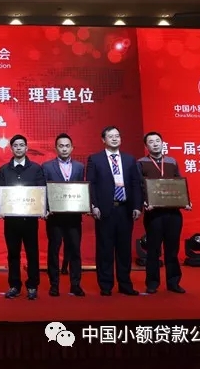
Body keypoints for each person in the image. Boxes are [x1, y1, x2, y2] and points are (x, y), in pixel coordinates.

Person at [86, 126, 142, 296]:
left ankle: (125, 284)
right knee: (105, 249)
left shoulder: (129, 159)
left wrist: (137, 206)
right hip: (105, 210)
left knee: (124, 249)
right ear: (103, 140)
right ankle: (105, 285)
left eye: (117, 136)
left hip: (125, 209)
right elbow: (91, 184)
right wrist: (93, 205)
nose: (115, 139)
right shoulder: (95, 159)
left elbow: (136, 184)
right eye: (111, 136)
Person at [138, 131, 191, 294]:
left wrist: (186, 201)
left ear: (162, 143)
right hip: (153, 213)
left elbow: (179, 183)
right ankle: (152, 283)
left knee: (172, 249)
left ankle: (173, 282)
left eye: (157, 141)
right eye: (151, 142)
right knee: (153, 249)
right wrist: (144, 202)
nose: (155, 144)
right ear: (146, 146)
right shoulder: (141, 163)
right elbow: (139, 186)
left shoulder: (171, 161)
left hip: (173, 213)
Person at [0, 134, 46, 300]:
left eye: (21, 145)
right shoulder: (4, 170)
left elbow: (41, 190)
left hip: (30, 219)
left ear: (26, 148)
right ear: (11, 149)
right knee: (13, 254)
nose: (18, 148)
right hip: (11, 220)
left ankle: (32, 286)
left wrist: (43, 208)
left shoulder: (36, 169)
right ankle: (14, 285)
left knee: (32, 253)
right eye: (15, 145)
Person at [43, 133, 86, 297]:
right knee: (54, 251)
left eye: (67, 146)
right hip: (54, 217)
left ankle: (75, 284)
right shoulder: (47, 167)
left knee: (75, 250)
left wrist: (85, 205)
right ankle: (54, 285)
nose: (64, 149)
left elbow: (82, 189)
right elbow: (44, 190)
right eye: (61, 146)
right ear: (56, 148)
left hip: (74, 217)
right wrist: (46, 209)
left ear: (72, 148)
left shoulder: (79, 167)